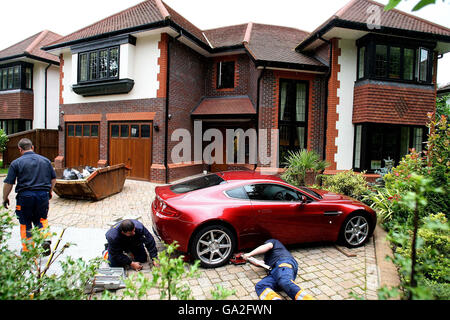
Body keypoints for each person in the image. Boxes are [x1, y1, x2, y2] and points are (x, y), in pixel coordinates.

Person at [3, 138, 56, 254]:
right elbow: (53, 178)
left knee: (25, 222)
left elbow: (9, 183)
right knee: (41, 219)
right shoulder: (45, 161)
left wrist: (4, 198)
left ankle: (28, 249)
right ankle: (45, 238)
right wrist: (49, 192)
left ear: (20, 149)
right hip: (42, 195)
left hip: (25, 197)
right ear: (32, 147)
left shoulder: (16, 163)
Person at [243, 239, 314, 300]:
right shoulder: (268, 257)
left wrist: (250, 254)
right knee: (260, 285)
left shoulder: (274, 242)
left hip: (284, 262)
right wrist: (246, 257)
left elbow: (267, 246)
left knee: (284, 281)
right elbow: (260, 263)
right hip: (274, 272)